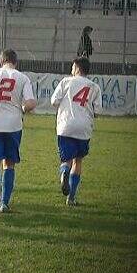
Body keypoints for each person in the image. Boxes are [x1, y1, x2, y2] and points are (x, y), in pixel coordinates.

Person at [0, 49, 37, 214]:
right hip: (13, 125)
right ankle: (4, 203)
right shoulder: (22, 78)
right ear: (15, 62)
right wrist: (22, 109)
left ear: (1, 61)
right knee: (9, 164)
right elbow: (31, 103)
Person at [50, 57, 102, 207]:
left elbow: (54, 101)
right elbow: (98, 110)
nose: (71, 69)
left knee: (66, 160)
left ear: (78, 68)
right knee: (78, 160)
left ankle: (64, 172)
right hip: (84, 127)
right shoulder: (94, 87)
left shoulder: (66, 82)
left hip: (66, 125)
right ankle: (71, 198)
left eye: (73, 67)